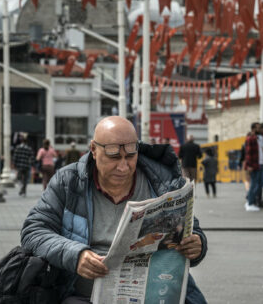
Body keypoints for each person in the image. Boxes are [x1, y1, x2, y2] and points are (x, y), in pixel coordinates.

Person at [20, 116, 207, 303]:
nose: (123, 167)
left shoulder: (164, 182)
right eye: (114, 157)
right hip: (84, 296)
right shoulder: (68, 182)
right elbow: (33, 231)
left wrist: (197, 245)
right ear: (93, 150)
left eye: (130, 156)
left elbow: (192, 231)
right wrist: (75, 255)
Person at [243, 122, 263, 211]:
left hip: (257, 164)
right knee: (254, 185)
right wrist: (250, 165)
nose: (260, 129)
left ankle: (250, 202)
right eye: (258, 127)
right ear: (254, 128)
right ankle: (250, 203)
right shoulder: (251, 138)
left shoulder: (256, 138)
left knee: (256, 184)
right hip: (253, 165)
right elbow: (248, 153)